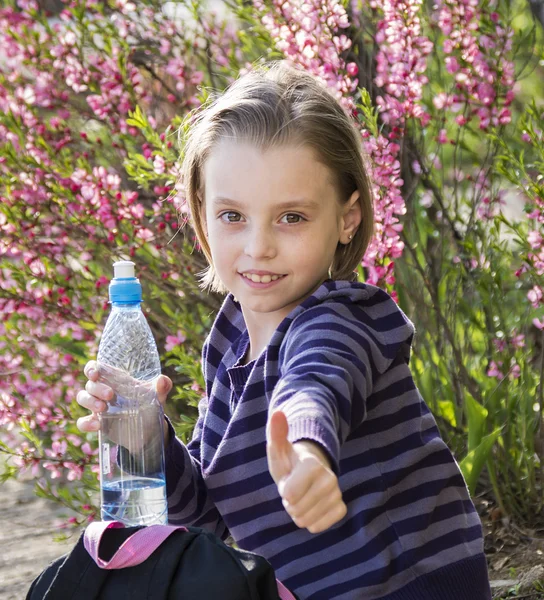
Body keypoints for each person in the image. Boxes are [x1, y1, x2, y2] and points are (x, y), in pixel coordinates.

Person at [77, 61, 492, 600]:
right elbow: (210, 514)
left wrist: (306, 451)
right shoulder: (227, 345)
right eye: (232, 216)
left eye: (291, 217)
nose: (258, 246)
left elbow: (315, 385)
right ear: (202, 221)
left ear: (347, 218)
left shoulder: (342, 318)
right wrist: (150, 443)